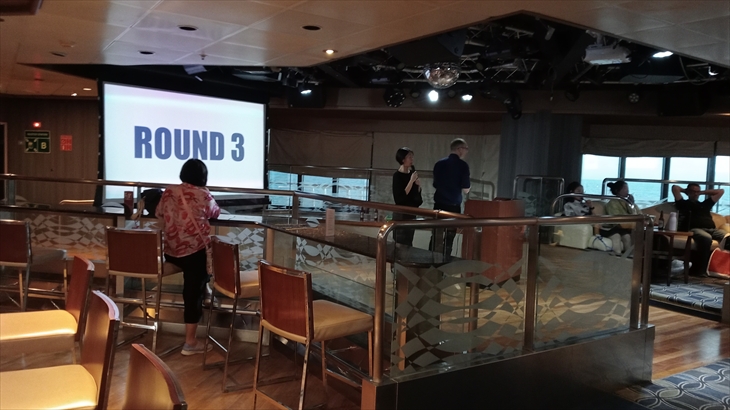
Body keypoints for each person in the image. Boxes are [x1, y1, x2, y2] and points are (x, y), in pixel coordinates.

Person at [156, 159, 221, 355]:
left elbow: (159, 212)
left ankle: (205, 289)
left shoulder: (169, 191)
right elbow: (215, 213)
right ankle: (190, 342)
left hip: (171, 252)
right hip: (194, 253)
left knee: (197, 282)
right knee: (192, 294)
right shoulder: (203, 194)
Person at [672, 183, 726, 276]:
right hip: (695, 229)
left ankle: (724, 269)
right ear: (688, 192)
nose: (695, 194)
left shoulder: (705, 204)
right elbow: (675, 188)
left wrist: (701, 192)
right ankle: (701, 270)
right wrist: (686, 191)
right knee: (706, 238)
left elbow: (721, 191)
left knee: (727, 236)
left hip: (711, 229)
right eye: (693, 191)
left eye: (697, 192)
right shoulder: (682, 203)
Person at [430, 138, 470, 257]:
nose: (466, 151)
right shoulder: (463, 166)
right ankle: (445, 262)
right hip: (453, 206)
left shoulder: (439, 163)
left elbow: (435, 184)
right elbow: (466, 188)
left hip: (438, 205)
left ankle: (430, 261)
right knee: (449, 237)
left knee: (436, 235)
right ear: (459, 149)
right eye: (466, 149)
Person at [392, 147, 423, 246]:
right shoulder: (397, 176)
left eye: (412, 157)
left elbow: (418, 200)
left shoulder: (412, 174)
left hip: (411, 213)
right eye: (409, 157)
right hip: (401, 214)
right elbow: (399, 198)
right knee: (400, 242)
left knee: (409, 242)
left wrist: (418, 186)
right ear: (402, 159)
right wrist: (411, 181)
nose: (412, 159)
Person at [600, 180, 636, 254]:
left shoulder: (627, 202)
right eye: (624, 188)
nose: (627, 190)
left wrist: (632, 204)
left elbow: (636, 214)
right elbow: (617, 221)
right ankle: (617, 257)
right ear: (617, 191)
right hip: (610, 229)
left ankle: (629, 258)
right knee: (616, 236)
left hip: (621, 229)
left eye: (627, 188)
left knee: (627, 237)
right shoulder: (612, 203)